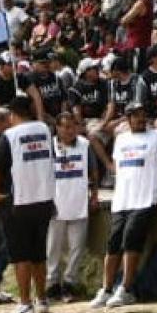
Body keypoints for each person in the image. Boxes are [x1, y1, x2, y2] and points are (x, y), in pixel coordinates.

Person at [90, 102, 157, 309]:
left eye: (142, 115)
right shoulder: (121, 139)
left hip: (146, 198)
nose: (140, 119)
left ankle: (126, 289)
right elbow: (118, 167)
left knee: (131, 240)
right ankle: (107, 288)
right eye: (135, 116)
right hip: (122, 199)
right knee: (113, 244)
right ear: (127, 119)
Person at [0, 96, 57, 313]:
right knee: (38, 254)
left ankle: (25, 303)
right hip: (44, 199)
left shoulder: (11, 135)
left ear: (13, 114)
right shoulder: (45, 130)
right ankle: (42, 300)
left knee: (21, 256)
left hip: (19, 201)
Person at [47, 111, 99, 302]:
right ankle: (52, 285)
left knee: (77, 247)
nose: (69, 131)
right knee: (53, 248)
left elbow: (93, 172)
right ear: (58, 128)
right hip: (56, 204)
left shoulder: (84, 145)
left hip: (78, 202)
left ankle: (69, 283)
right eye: (65, 127)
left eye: (73, 126)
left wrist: (94, 196)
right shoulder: (50, 145)